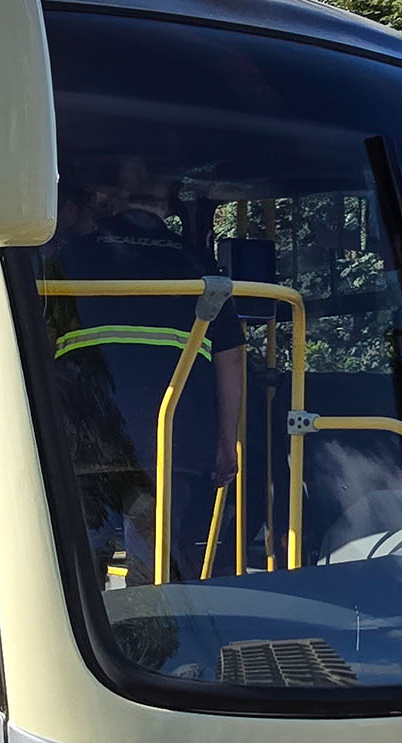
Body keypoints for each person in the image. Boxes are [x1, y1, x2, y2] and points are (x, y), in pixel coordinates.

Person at [39, 155, 247, 585]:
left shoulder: (69, 258)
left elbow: (40, 343)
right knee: (155, 563)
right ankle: (152, 640)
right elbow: (231, 355)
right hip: (174, 440)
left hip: (86, 433)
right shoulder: (201, 267)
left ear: (113, 201)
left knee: (81, 559)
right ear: (167, 205)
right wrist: (228, 442)